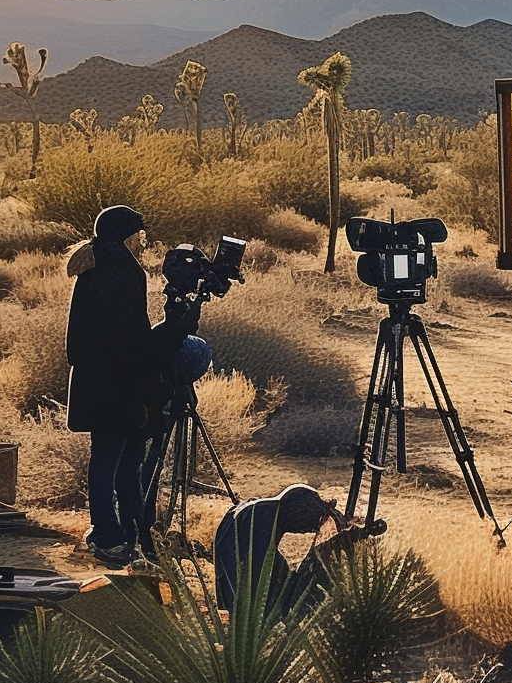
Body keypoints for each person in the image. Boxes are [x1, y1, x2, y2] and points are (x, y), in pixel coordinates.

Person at [64, 204, 192, 563]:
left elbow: (124, 338)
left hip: (103, 380)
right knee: (112, 459)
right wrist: (173, 330)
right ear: (127, 236)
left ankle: (124, 529)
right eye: (140, 236)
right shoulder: (117, 273)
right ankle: (109, 533)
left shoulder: (103, 265)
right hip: (112, 383)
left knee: (118, 458)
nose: (143, 243)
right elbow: (129, 344)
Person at [214, 484, 346, 618]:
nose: (307, 531)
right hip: (236, 545)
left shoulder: (270, 512)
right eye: (312, 526)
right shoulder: (266, 520)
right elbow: (259, 571)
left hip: (234, 534)